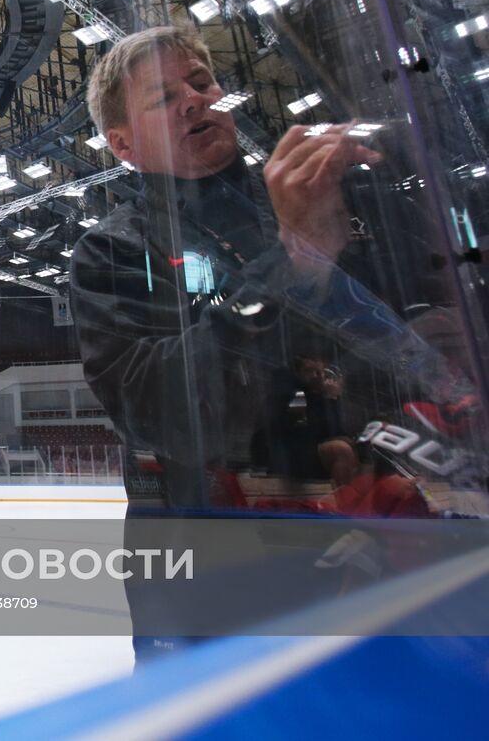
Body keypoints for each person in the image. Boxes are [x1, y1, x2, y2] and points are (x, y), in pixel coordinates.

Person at [69, 25, 472, 512]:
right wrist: (294, 260)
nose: (195, 100)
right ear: (123, 145)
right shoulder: (114, 250)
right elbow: (160, 416)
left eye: (202, 82)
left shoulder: (317, 196)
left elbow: (398, 335)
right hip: (217, 555)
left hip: (394, 518)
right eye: (163, 98)